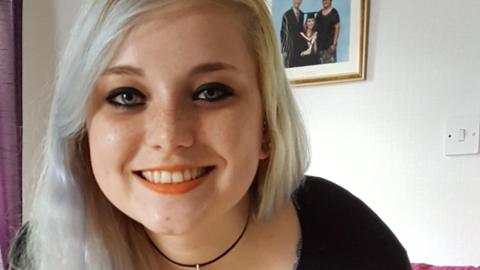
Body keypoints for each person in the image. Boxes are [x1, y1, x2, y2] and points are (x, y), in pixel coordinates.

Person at [8, 0, 411, 269]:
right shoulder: (42, 252)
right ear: (82, 130)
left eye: (210, 92)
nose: (168, 137)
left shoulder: (355, 244)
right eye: (126, 96)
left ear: (267, 125)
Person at [280, 0, 305, 68]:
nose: (298, 1)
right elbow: (283, 33)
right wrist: (283, 50)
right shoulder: (286, 15)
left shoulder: (302, 14)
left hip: (300, 50)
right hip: (290, 50)